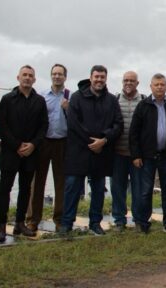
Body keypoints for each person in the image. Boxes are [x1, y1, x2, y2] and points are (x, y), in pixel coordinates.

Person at [60, 65, 123, 235]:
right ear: (90, 77)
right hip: (79, 151)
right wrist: (92, 142)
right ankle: (66, 223)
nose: (99, 80)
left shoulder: (111, 100)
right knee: (72, 188)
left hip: (101, 152)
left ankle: (95, 223)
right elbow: (74, 124)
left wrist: (104, 140)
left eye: (102, 77)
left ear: (106, 79)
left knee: (98, 189)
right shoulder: (76, 97)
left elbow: (118, 124)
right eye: (96, 77)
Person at [0, 65, 49, 242]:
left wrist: (33, 144)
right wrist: (17, 145)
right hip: (11, 152)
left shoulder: (39, 101)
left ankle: (19, 223)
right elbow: (1, 125)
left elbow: (43, 126)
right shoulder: (7, 99)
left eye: (30, 76)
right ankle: (1, 227)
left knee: (25, 190)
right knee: (5, 190)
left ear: (34, 79)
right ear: (18, 78)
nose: (27, 78)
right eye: (24, 75)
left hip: (31, 153)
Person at [130, 73, 166, 234]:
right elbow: (134, 133)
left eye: (162, 84)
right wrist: (136, 155)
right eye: (156, 84)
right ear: (151, 87)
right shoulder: (143, 106)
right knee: (146, 191)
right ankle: (143, 223)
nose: (159, 87)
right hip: (147, 157)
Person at [27, 64, 69, 233]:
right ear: (51, 76)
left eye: (60, 74)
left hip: (62, 142)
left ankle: (59, 219)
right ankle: (33, 219)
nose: (57, 76)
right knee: (37, 182)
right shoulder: (41, 96)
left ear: (65, 77)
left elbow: (75, 121)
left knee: (61, 183)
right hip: (43, 142)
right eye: (54, 74)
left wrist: (69, 109)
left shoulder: (70, 97)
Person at [110, 71, 144, 230]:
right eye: (126, 80)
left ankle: (138, 219)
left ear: (137, 83)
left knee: (138, 189)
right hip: (117, 153)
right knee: (117, 189)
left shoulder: (144, 101)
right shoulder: (114, 100)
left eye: (132, 80)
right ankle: (119, 220)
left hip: (137, 155)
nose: (128, 83)